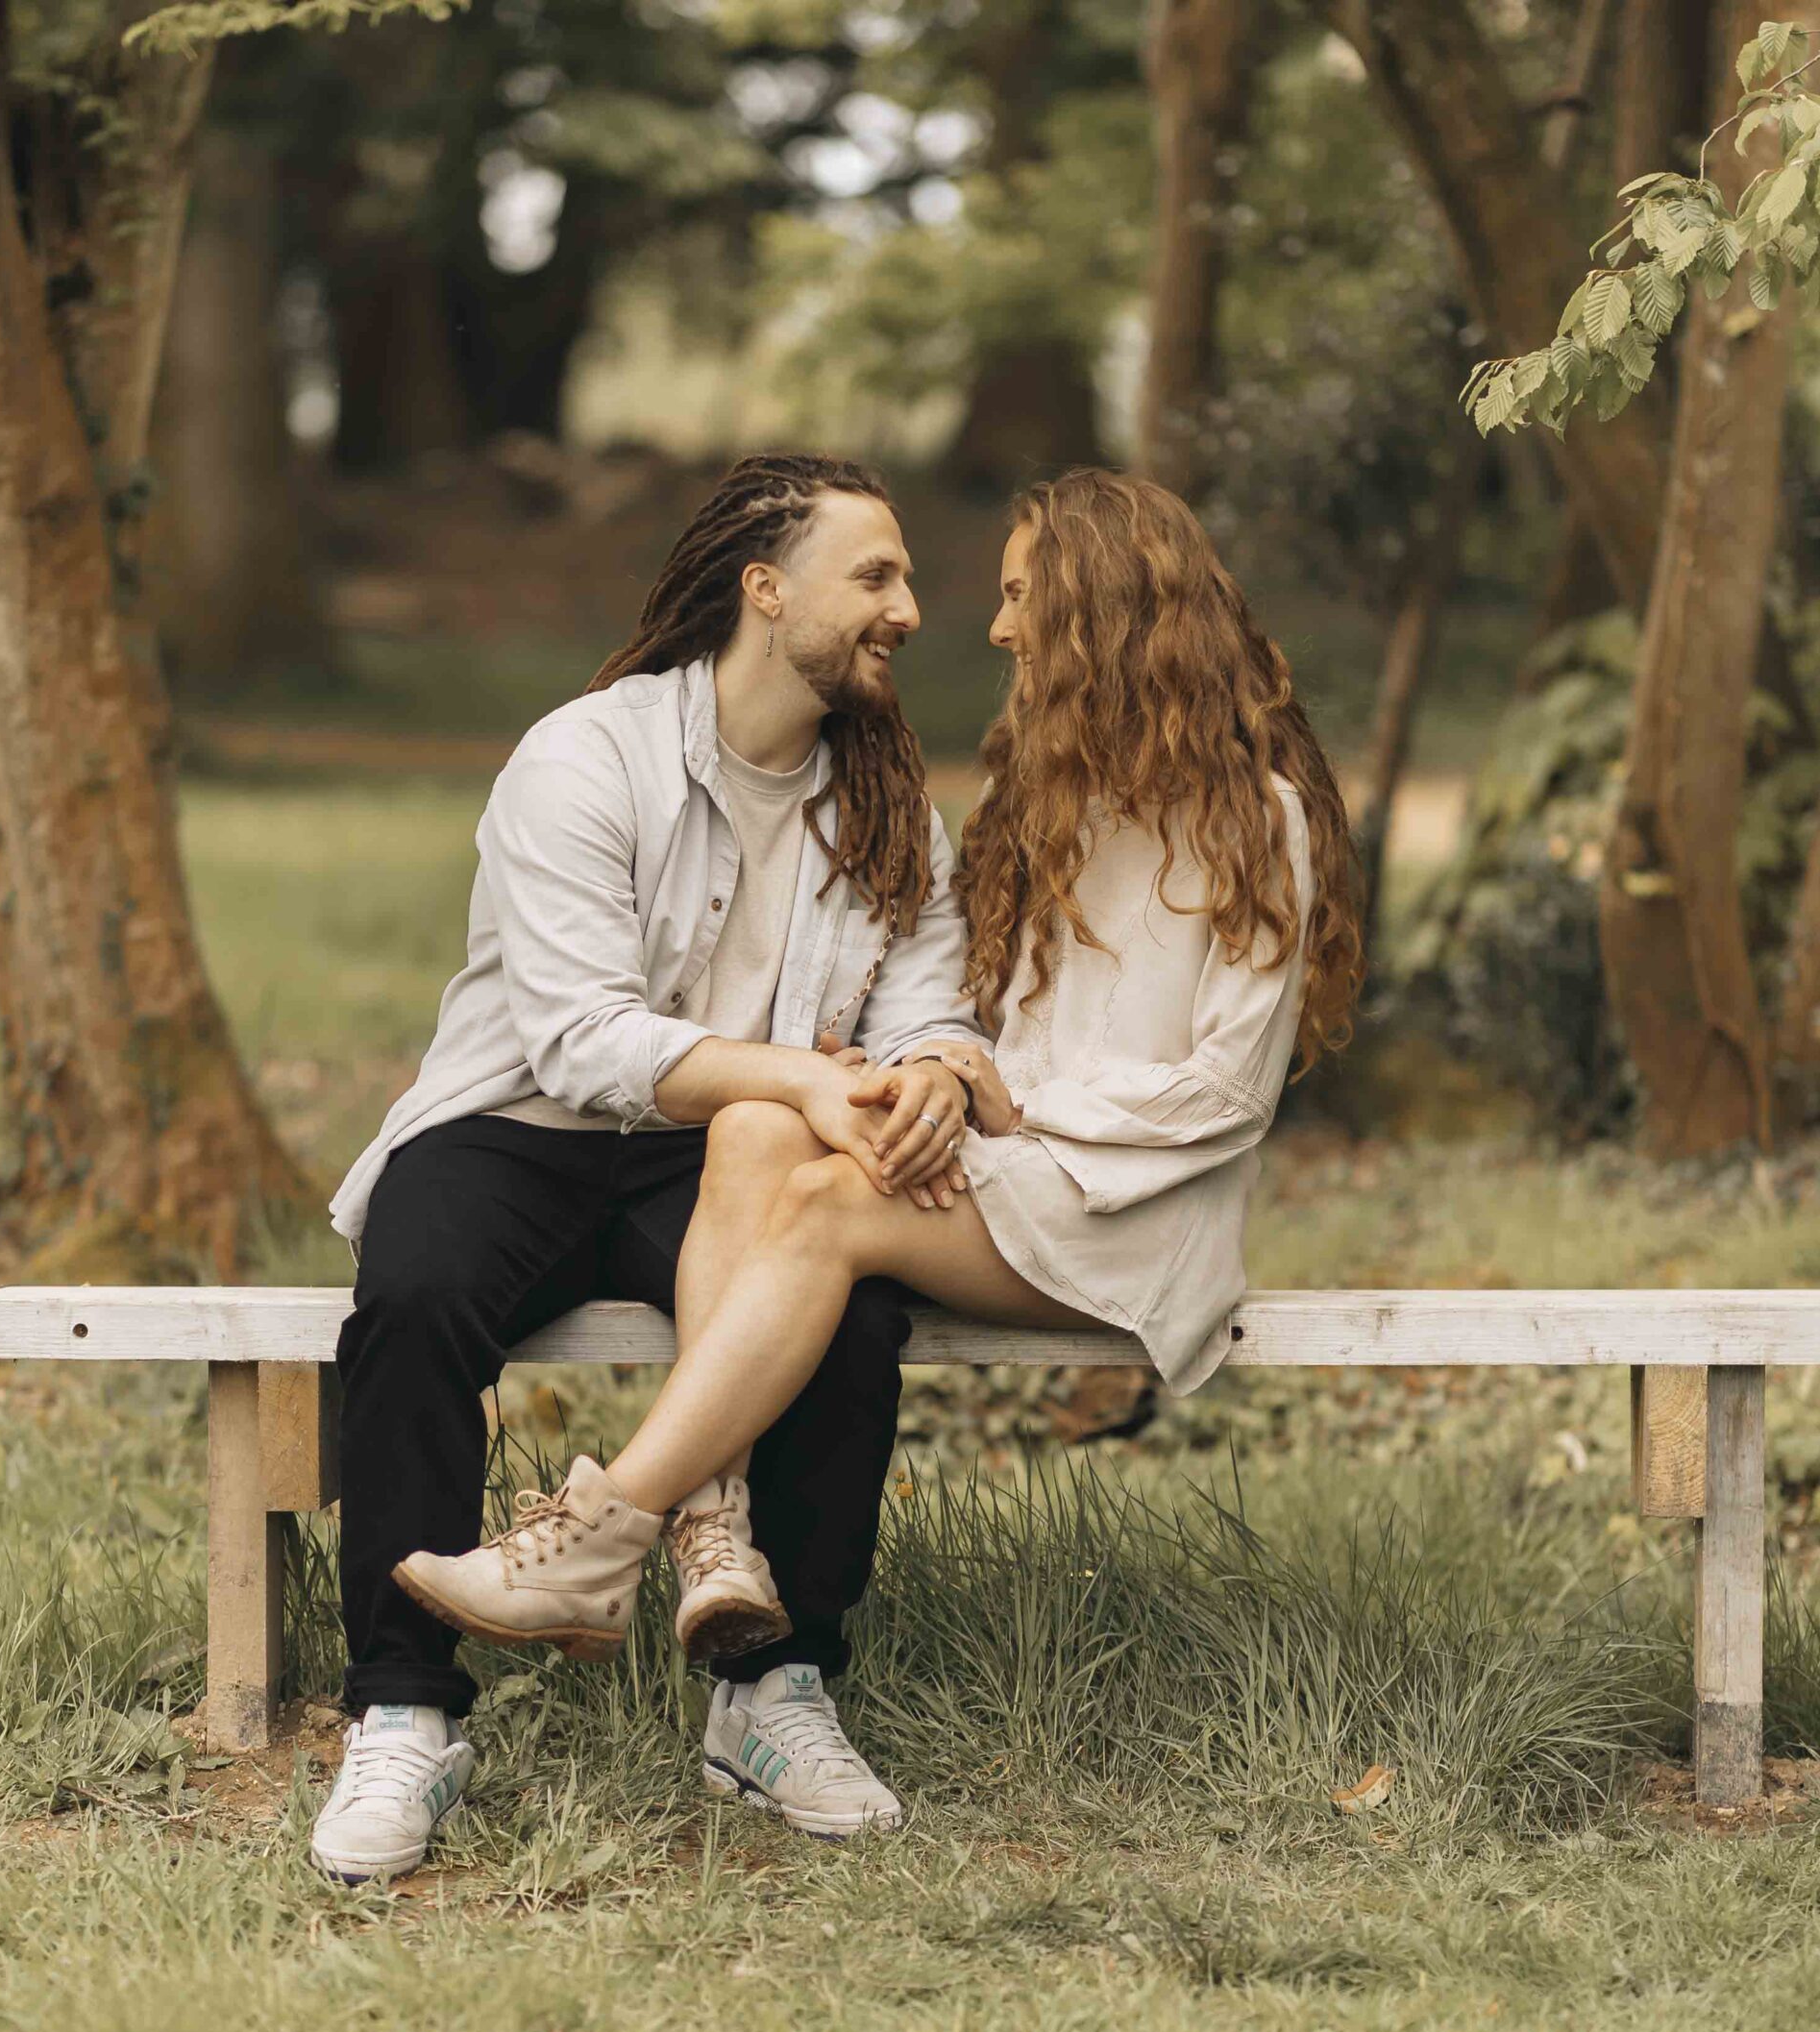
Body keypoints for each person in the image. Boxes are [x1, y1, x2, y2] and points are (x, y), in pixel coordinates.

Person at [395, 470, 1364, 1838]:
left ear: (1103, 614)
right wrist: (943, 1077)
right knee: (755, 1122)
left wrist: (999, 1104)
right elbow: (976, 1026)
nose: (994, 627)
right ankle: (710, 1535)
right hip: (1015, 1184)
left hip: (1142, 1216)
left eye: (1025, 596)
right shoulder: (1038, 801)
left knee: (829, 1202)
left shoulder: (1257, 815)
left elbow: (1225, 1093)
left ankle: (610, 1528)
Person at [310, 453, 989, 1883]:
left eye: (906, 579)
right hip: (520, 1126)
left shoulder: (889, 816)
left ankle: (772, 1691)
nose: (910, 609)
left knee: (849, 1316)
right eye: (876, 575)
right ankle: (403, 1711)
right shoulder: (588, 757)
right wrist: (806, 1073)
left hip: (730, 1163)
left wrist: (930, 1069)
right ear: (766, 589)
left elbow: (929, 1000)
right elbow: (575, 1039)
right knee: (419, 1290)